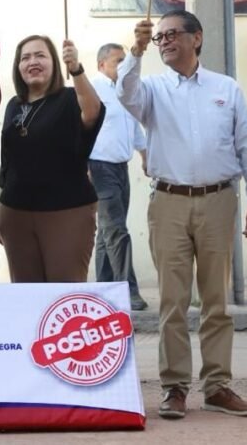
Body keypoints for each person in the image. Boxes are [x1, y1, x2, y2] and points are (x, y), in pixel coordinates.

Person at [118, 10, 247, 420]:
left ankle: (217, 386)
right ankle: (175, 387)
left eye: (172, 34)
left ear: (196, 38)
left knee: (216, 301)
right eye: (160, 36)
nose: (164, 41)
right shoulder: (151, 89)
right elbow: (125, 94)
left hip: (219, 200)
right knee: (173, 302)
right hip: (169, 202)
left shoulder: (226, 88)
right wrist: (136, 51)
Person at [0, 36, 104, 283]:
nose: (32, 62)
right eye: (25, 58)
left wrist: (76, 69)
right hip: (15, 214)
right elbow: (7, 162)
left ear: (54, 62)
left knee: (63, 291)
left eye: (40, 55)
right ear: (18, 66)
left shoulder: (70, 98)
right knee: (25, 293)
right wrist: (0, 207)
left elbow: (92, 112)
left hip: (66, 212)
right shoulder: (14, 105)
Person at [89, 42, 149, 310]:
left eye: (126, 61)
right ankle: (129, 291)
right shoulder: (91, 89)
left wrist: (145, 155)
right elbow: (78, 128)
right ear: (102, 64)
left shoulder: (125, 90)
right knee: (117, 231)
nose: (124, 66)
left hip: (121, 168)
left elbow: (134, 126)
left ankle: (104, 288)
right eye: (118, 61)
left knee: (107, 233)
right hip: (98, 168)